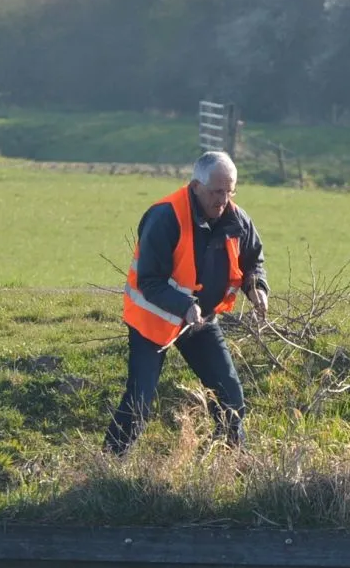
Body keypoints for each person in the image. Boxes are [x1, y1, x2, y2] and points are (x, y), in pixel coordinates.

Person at [104, 151, 268, 455]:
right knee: (139, 403)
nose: (223, 200)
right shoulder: (165, 216)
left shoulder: (236, 218)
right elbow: (149, 281)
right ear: (195, 186)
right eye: (217, 192)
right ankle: (107, 467)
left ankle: (230, 466)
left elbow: (252, 260)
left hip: (201, 321)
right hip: (152, 321)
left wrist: (256, 287)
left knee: (231, 398)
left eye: (230, 191)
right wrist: (184, 305)